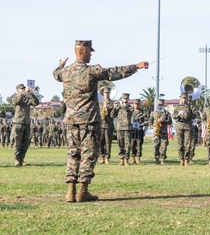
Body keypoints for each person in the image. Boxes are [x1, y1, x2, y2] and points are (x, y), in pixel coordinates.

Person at [52, 39, 147, 203]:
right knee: (88, 154)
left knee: (73, 153)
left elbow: (55, 74)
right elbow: (114, 72)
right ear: (83, 51)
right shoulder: (91, 71)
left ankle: (70, 192)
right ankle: (83, 191)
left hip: (71, 121)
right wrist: (136, 66)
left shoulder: (65, 72)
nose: (90, 55)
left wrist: (60, 65)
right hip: (89, 120)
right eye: (89, 52)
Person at [8, 83, 41, 166]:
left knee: (25, 143)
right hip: (18, 123)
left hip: (26, 122)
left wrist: (31, 94)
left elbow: (36, 103)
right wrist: (23, 94)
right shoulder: (15, 97)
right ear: (17, 90)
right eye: (21, 88)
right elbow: (17, 101)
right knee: (17, 143)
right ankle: (16, 159)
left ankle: (22, 159)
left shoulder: (27, 98)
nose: (23, 89)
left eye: (24, 88)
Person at [172, 92, 199, 166]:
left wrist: (188, 114)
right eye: (183, 98)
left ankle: (186, 159)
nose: (184, 100)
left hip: (188, 127)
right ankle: (181, 159)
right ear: (181, 98)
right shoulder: (177, 107)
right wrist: (178, 115)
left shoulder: (191, 107)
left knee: (187, 144)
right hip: (179, 127)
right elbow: (173, 116)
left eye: (186, 98)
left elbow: (195, 115)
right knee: (180, 144)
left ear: (187, 99)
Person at [113, 93, 135, 166]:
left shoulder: (130, 107)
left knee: (127, 144)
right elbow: (112, 115)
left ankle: (126, 159)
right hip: (119, 128)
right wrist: (115, 108)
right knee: (120, 143)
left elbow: (130, 111)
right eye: (124, 98)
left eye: (126, 99)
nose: (125, 100)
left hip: (127, 128)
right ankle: (121, 159)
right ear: (122, 99)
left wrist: (123, 106)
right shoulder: (118, 107)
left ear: (128, 99)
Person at [150, 101, 172, 165]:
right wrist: (152, 127)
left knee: (164, 146)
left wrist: (164, 120)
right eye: (159, 104)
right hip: (156, 132)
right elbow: (150, 122)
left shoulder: (167, 113)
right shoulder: (153, 113)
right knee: (155, 145)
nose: (160, 106)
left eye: (161, 104)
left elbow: (170, 122)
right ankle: (157, 159)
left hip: (163, 132)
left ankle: (162, 160)